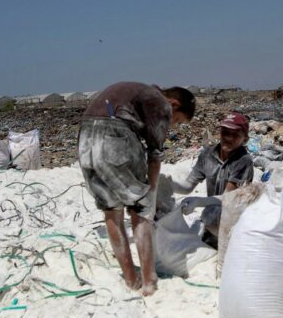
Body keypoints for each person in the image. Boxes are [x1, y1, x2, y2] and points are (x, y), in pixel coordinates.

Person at [78, 81, 195, 296]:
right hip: (115, 138)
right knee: (140, 211)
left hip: (85, 140)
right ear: (174, 104)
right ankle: (149, 280)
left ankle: (131, 279)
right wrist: (149, 193)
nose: (173, 125)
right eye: (177, 120)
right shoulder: (161, 104)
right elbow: (155, 155)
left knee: (111, 211)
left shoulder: (139, 94)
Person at [173, 112, 254, 247]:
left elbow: (229, 198)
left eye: (235, 134)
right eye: (225, 132)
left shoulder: (243, 161)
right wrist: (169, 185)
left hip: (233, 217)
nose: (228, 138)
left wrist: (199, 201)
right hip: (212, 215)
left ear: (245, 139)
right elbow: (188, 185)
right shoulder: (207, 155)